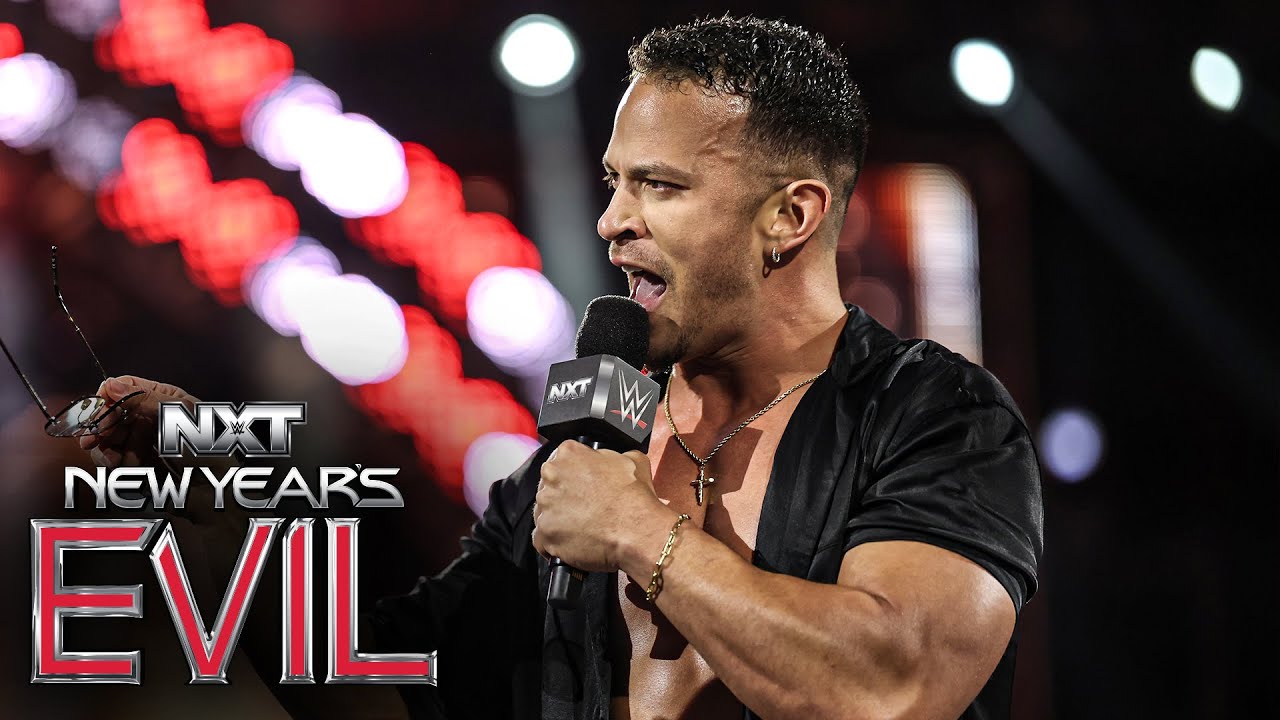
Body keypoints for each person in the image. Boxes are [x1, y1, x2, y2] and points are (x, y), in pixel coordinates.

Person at [83, 15, 1043, 720]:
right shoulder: (591, 451)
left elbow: (895, 687)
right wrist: (236, 530)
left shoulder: (935, 413)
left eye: (659, 186)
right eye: (616, 182)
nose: (612, 221)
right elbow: (393, 696)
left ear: (789, 217)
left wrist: (640, 534)